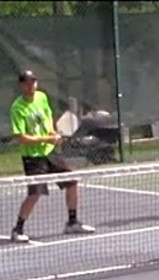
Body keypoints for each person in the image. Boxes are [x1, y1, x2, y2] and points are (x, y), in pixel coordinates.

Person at [10, 69, 95, 243]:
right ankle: (17, 229)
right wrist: (48, 138)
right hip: (33, 157)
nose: (31, 85)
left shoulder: (41, 97)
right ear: (21, 85)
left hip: (51, 153)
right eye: (27, 82)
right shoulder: (17, 108)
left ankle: (72, 223)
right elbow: (21, 137)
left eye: (34, 81)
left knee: (71, 181)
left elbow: (48, 119)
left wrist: (54, 133)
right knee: (35, 194)